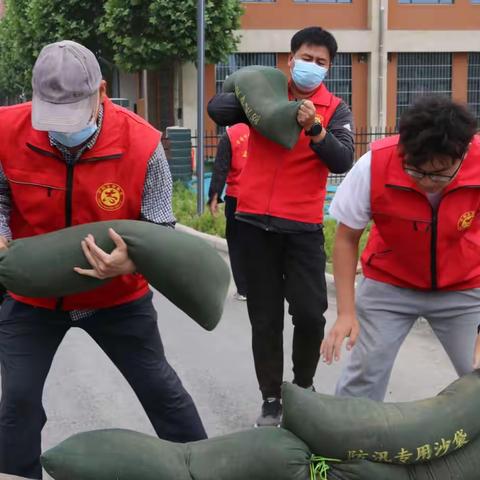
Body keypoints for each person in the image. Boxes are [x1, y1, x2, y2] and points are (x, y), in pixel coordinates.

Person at [0, 40, 207, 479]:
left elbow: (160, 228)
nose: (59, 128)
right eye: (50, 115)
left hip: (118, 297)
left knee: (161, 391)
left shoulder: (142, 144)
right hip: (33, 299)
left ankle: (204, 469)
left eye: (71, 113)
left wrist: (130, 262)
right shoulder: (5, 132)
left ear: (101, 92)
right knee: (17, 402)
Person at [208, 26, 354, 427]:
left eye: (321, 62)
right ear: (291, 60)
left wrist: (316, 130)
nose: (312, 66)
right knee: (265, 318)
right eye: (306, 58)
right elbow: (218, 110)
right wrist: (244, 88)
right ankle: (271, 398)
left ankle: (302, 388)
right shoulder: (266, 96)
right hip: (254, 223)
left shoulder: (335, 109)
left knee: (309, 314)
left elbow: (343, 159)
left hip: (303, 228)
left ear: (329, 69)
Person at [321, 95, 480, 401]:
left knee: (477, 370)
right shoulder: (375, 163)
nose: (426, 182)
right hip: (389, 284)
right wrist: (345, 313)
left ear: (462, 154)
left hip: (464, 285)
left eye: (439, 173)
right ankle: (348, 444)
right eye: (416, 171)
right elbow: (346, 237)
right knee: (364, 377)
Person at [208, 123, 250, 301]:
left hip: (237, 198)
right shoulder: (264, 128)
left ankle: (244, 289)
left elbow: (221, 168)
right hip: (261, 197)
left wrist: (214, 196)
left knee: (236, 243)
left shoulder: (231, 135)